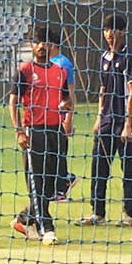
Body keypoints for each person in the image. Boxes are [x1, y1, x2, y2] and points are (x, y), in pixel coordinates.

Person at [10, 26, 72, 245]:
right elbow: (13, 102)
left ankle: (24, 218)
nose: (42, 46)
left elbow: (67, 99)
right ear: (32, 45)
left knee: (54, 183)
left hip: (56, 131)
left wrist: (66, 107)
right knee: (36, 180)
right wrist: (19, 131)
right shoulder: (25, 71)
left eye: (45, 42)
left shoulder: (60, 71)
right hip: (34, 131)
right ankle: (47, 228)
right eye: (37, 42)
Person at [81, 13, 132, 227]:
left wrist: (128, 124)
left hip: (125, 121)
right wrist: (98, 118)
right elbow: (103, 90)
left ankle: (128, 214)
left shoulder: (130, 57)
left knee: (129, 168)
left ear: (122, 32)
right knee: (99, 166)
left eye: (113, 30)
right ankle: (98, 212)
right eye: (106, 30)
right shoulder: (103, 57)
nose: (109, 34)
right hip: (106, 120)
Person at [48, 31, 78, 201]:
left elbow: (70, 93)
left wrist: (68, 118)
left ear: (52, 44)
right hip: (48, 116)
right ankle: (63, 181)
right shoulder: (49, 63)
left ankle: (61, 188)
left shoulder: (63, 64)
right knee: (51, 153)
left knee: (58, 153)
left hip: (59, 116)